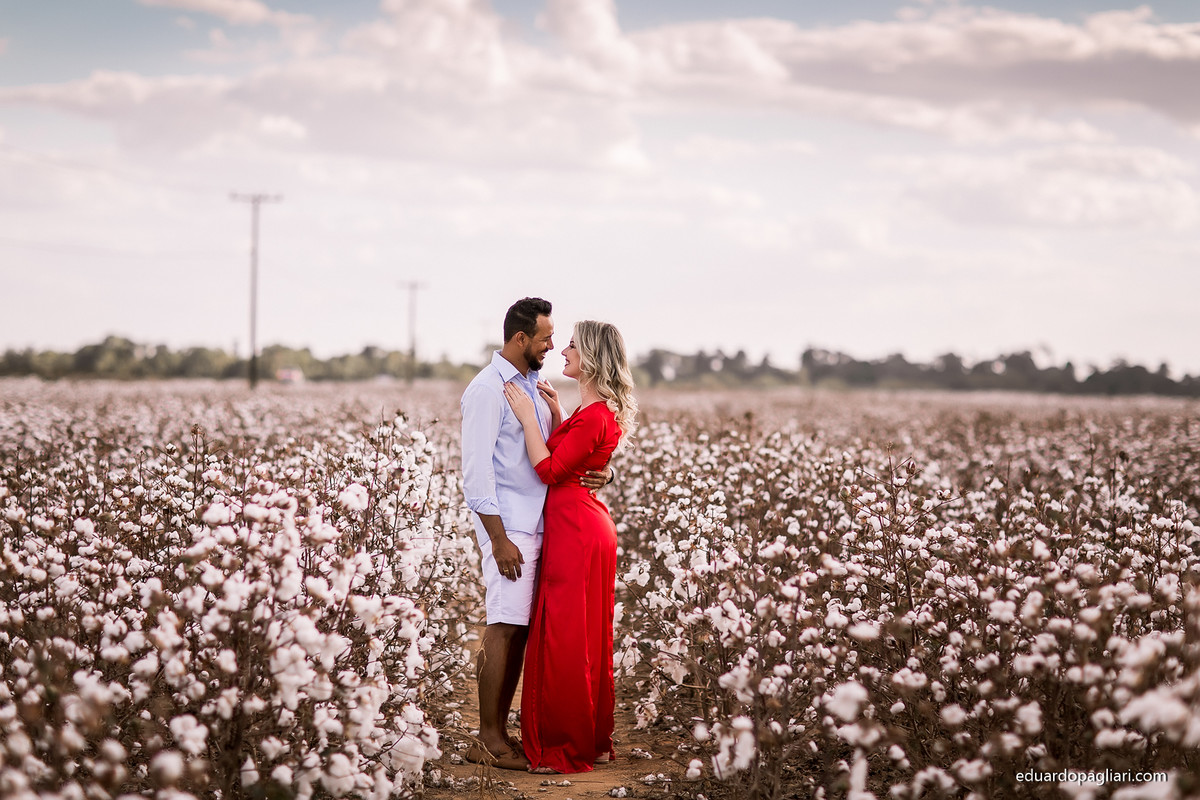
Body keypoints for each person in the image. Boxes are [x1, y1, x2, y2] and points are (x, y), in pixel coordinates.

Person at [460, 298, 612, 770]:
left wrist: (602, 473)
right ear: (520, 338)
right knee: (503, 627)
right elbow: (476, 473)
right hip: (511, 527)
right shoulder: (488, 390)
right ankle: (487, 736)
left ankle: (502, 732)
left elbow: (563, 452)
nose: (552, 345)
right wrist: (498, 538)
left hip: (544, 523)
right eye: (546, 338)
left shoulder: (532, 386)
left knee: (521, 631)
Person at [502, 320, 638, 774]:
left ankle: (567, 743)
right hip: (579, 524)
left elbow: (550, 470)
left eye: (574, 347)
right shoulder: (588, 410)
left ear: (594, 357)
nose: (563, 351)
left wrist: (526, 418)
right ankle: (588, 736)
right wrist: (558, 416)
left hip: (576, 530)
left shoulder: (596, 414)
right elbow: (580, 453)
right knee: (581, 633)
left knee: (565, 636)